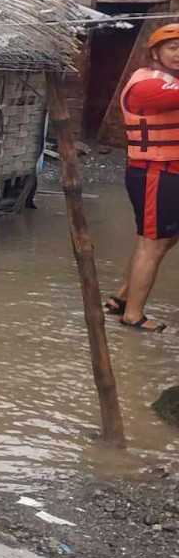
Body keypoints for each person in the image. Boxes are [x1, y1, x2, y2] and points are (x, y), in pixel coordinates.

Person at [107, 22, 179, 332]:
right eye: (173, 48)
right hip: (155, 174)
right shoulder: (148, 85)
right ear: (155, 52)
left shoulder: (167, 81)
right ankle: (133, 315)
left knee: (166, 238)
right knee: (152, 244)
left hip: (169, 174)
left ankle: (122, 298)